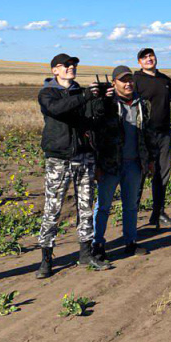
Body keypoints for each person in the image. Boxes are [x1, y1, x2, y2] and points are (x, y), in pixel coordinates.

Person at [36, 53, 111, 278]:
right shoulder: (47, 93)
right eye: (66, 65)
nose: (71, 67)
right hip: (58, 159)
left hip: (83, 157)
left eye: (73, 64)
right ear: (54, 70)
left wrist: (102, 100)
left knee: (86, 207)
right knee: (52, 209)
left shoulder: (81, 92)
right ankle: (46, 259)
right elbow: (58, 110)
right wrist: (85, 96)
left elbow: (94, 119)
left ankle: (86, 253)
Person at [92, 66, 155, 262]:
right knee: (103, 206)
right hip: (111, 164)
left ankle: (130, 241)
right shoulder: (107, 104)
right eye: (123, 80)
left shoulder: (142, 104)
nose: (128, 83)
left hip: (134, 164)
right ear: (114, 83)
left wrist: (150, 159)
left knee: (131, 205)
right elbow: (96, 135)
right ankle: (98, 244)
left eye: (130, 80)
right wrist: (97, 164)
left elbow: (148, 133)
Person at [132, 48, 171, 230]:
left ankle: (158, 213)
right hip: (142, 135)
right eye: (144, 57)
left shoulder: (165, 80)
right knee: (139, 175)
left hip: (163, 134)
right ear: (139, 62)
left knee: (163, 174)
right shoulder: (135, 80)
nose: (148, 59)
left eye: (150, 56)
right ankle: (132, 216)